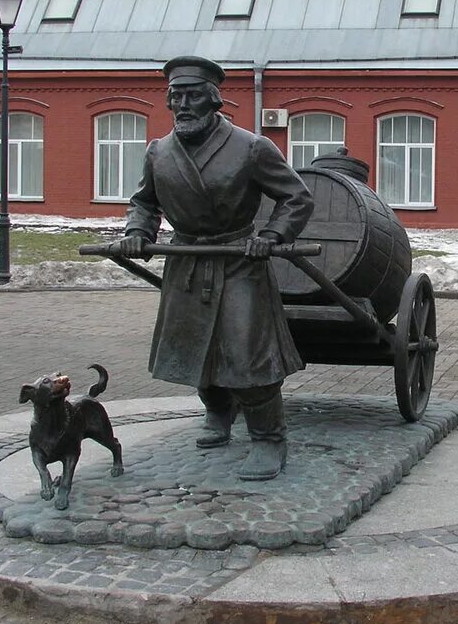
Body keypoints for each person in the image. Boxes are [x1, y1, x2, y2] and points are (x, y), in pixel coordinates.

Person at [120, 56, 313, 481]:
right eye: (175, 97)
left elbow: (296, 197)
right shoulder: (158, 152)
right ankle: (218, 412)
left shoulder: (251, 147)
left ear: (213, 100)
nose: (182, 105)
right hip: (187, 261)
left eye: (192, 96)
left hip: (238, 260)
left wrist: (274, 236)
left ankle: (268, 438)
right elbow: (145, 202)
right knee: (193, 350)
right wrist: (137, 230)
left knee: (247, 355)